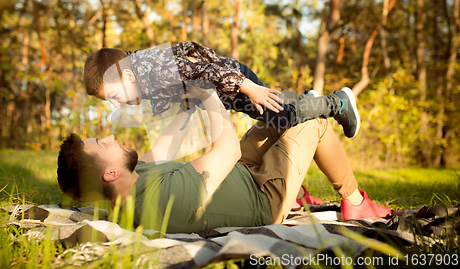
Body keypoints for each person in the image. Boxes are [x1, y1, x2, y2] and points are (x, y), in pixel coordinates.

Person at [57, 86, 391, 234]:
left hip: (239, 173)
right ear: (110, 173)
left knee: (281, 118)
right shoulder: (161, 201)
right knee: (314, 122)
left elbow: (163, 152)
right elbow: (228, 150)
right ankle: (355, 200)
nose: (112, 137)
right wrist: (209, 96)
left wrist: (187, 107)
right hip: (264, 198)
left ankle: (311, 116)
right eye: (103, 143)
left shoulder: (127, 188)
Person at [83, 41, 360, 138]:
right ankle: (307, 100)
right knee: (277, 108)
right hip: (227, 90)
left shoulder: (154, 71)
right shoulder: (141, 70)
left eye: (114, 97)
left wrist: (249, 87)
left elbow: (207, 72)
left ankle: (337, 103)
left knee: (281, 118)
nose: (116, 104)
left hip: (235, 83)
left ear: (128, 76)